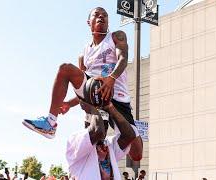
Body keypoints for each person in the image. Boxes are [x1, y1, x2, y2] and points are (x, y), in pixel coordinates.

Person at [23, 7, 143, 161]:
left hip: (117, 99)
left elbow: (123, 59)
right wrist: (68, 103)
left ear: (108, 21)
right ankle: (50, 122)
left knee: (137, 154)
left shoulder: (116, 37)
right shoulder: (85, 52)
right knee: (65, 69)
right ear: (89, 22)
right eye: (97, 15)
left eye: (105, 15)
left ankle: (108, 150)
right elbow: (83, 88)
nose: (101, 17)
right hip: (94, 95)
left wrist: (111, 78)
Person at [66, 100, 136, 180]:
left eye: (106, 125)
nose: (104, 129)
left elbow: (130, 135)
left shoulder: (110, 144)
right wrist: (91, 106)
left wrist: (111, 108)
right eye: (100, 123)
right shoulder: (75, 140)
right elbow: (98, 131)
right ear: (87, 125)